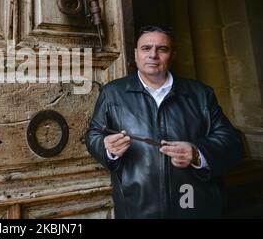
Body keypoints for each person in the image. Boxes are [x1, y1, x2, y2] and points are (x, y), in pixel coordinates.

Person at [85, 25, 243, 218]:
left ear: (172, 55)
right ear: (136, 55)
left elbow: (232, 141)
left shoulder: (200, 94)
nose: (153, 55)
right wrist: (107, 148)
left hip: (194, 204)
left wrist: (198, 153)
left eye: (162, 49)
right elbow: (94, 134)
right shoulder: (112, 93)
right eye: (146, 48)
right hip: (137, 207)